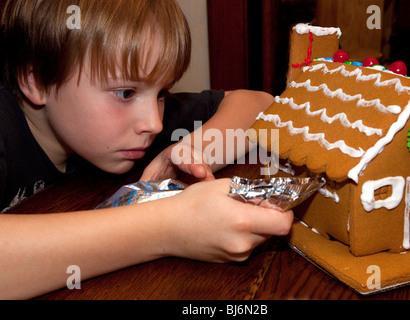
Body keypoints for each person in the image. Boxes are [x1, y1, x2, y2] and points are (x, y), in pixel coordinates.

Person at [0, 0, 293, 299]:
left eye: (162, 93)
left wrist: (192, 150)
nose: (153, 123)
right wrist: (168, 228)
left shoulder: (131, 124)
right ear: (35, 81)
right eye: (126, 93)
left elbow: (261, 106)